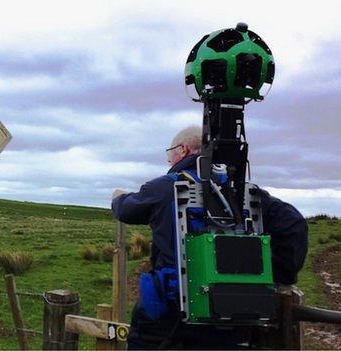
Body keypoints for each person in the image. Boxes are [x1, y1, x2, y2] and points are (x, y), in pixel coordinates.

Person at [111, 125, 308, 349]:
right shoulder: (242, 191)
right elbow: (294, 224)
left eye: (170, 153)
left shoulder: (167, 187)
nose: (169, 161)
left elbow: (126, 210)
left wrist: (118, 197)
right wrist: (276, 277)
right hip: (234, 317)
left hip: (168, 322)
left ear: (183, 150)